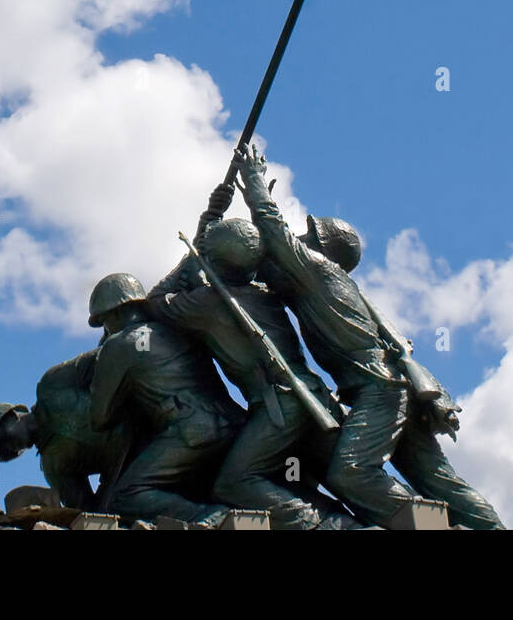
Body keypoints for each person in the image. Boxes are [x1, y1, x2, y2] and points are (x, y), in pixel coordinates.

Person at [236, 143, 505, 530]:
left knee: (351, 473)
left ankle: (430, 525)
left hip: (379, 389)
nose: (302, 238)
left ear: (323, 249)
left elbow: (276, 235)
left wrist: (255, 183)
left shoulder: (320, 274)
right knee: (439, 480)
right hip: (388, 387)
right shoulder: (330, 284)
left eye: (309, 236)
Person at [146, 186, 361, 529]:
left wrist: (197, 246)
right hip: (313, 398)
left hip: (279, 408)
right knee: (309, 479)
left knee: (234, 483)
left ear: (213, 259)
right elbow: (220, 270)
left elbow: (157, 300)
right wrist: (210, 222)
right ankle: (348, 521)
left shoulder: (206, 305)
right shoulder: (264, 294)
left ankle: (339, 527)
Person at [87, 271, 244, 525]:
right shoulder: (176, 330)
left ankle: (212, 518)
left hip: (193, 432)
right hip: (234, 423)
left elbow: (100, 418)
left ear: (113, 314)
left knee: (125, 497)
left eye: (104, 322)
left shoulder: (119, 345)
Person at [0, 348, 133, 510]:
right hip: (135, 467)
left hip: (146, 410)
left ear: (11, 415)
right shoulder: (54, 467)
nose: (10, 450)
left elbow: (109, 353)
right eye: (4, 454)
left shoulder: (52, 385)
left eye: (2, 440)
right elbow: (87, 510)